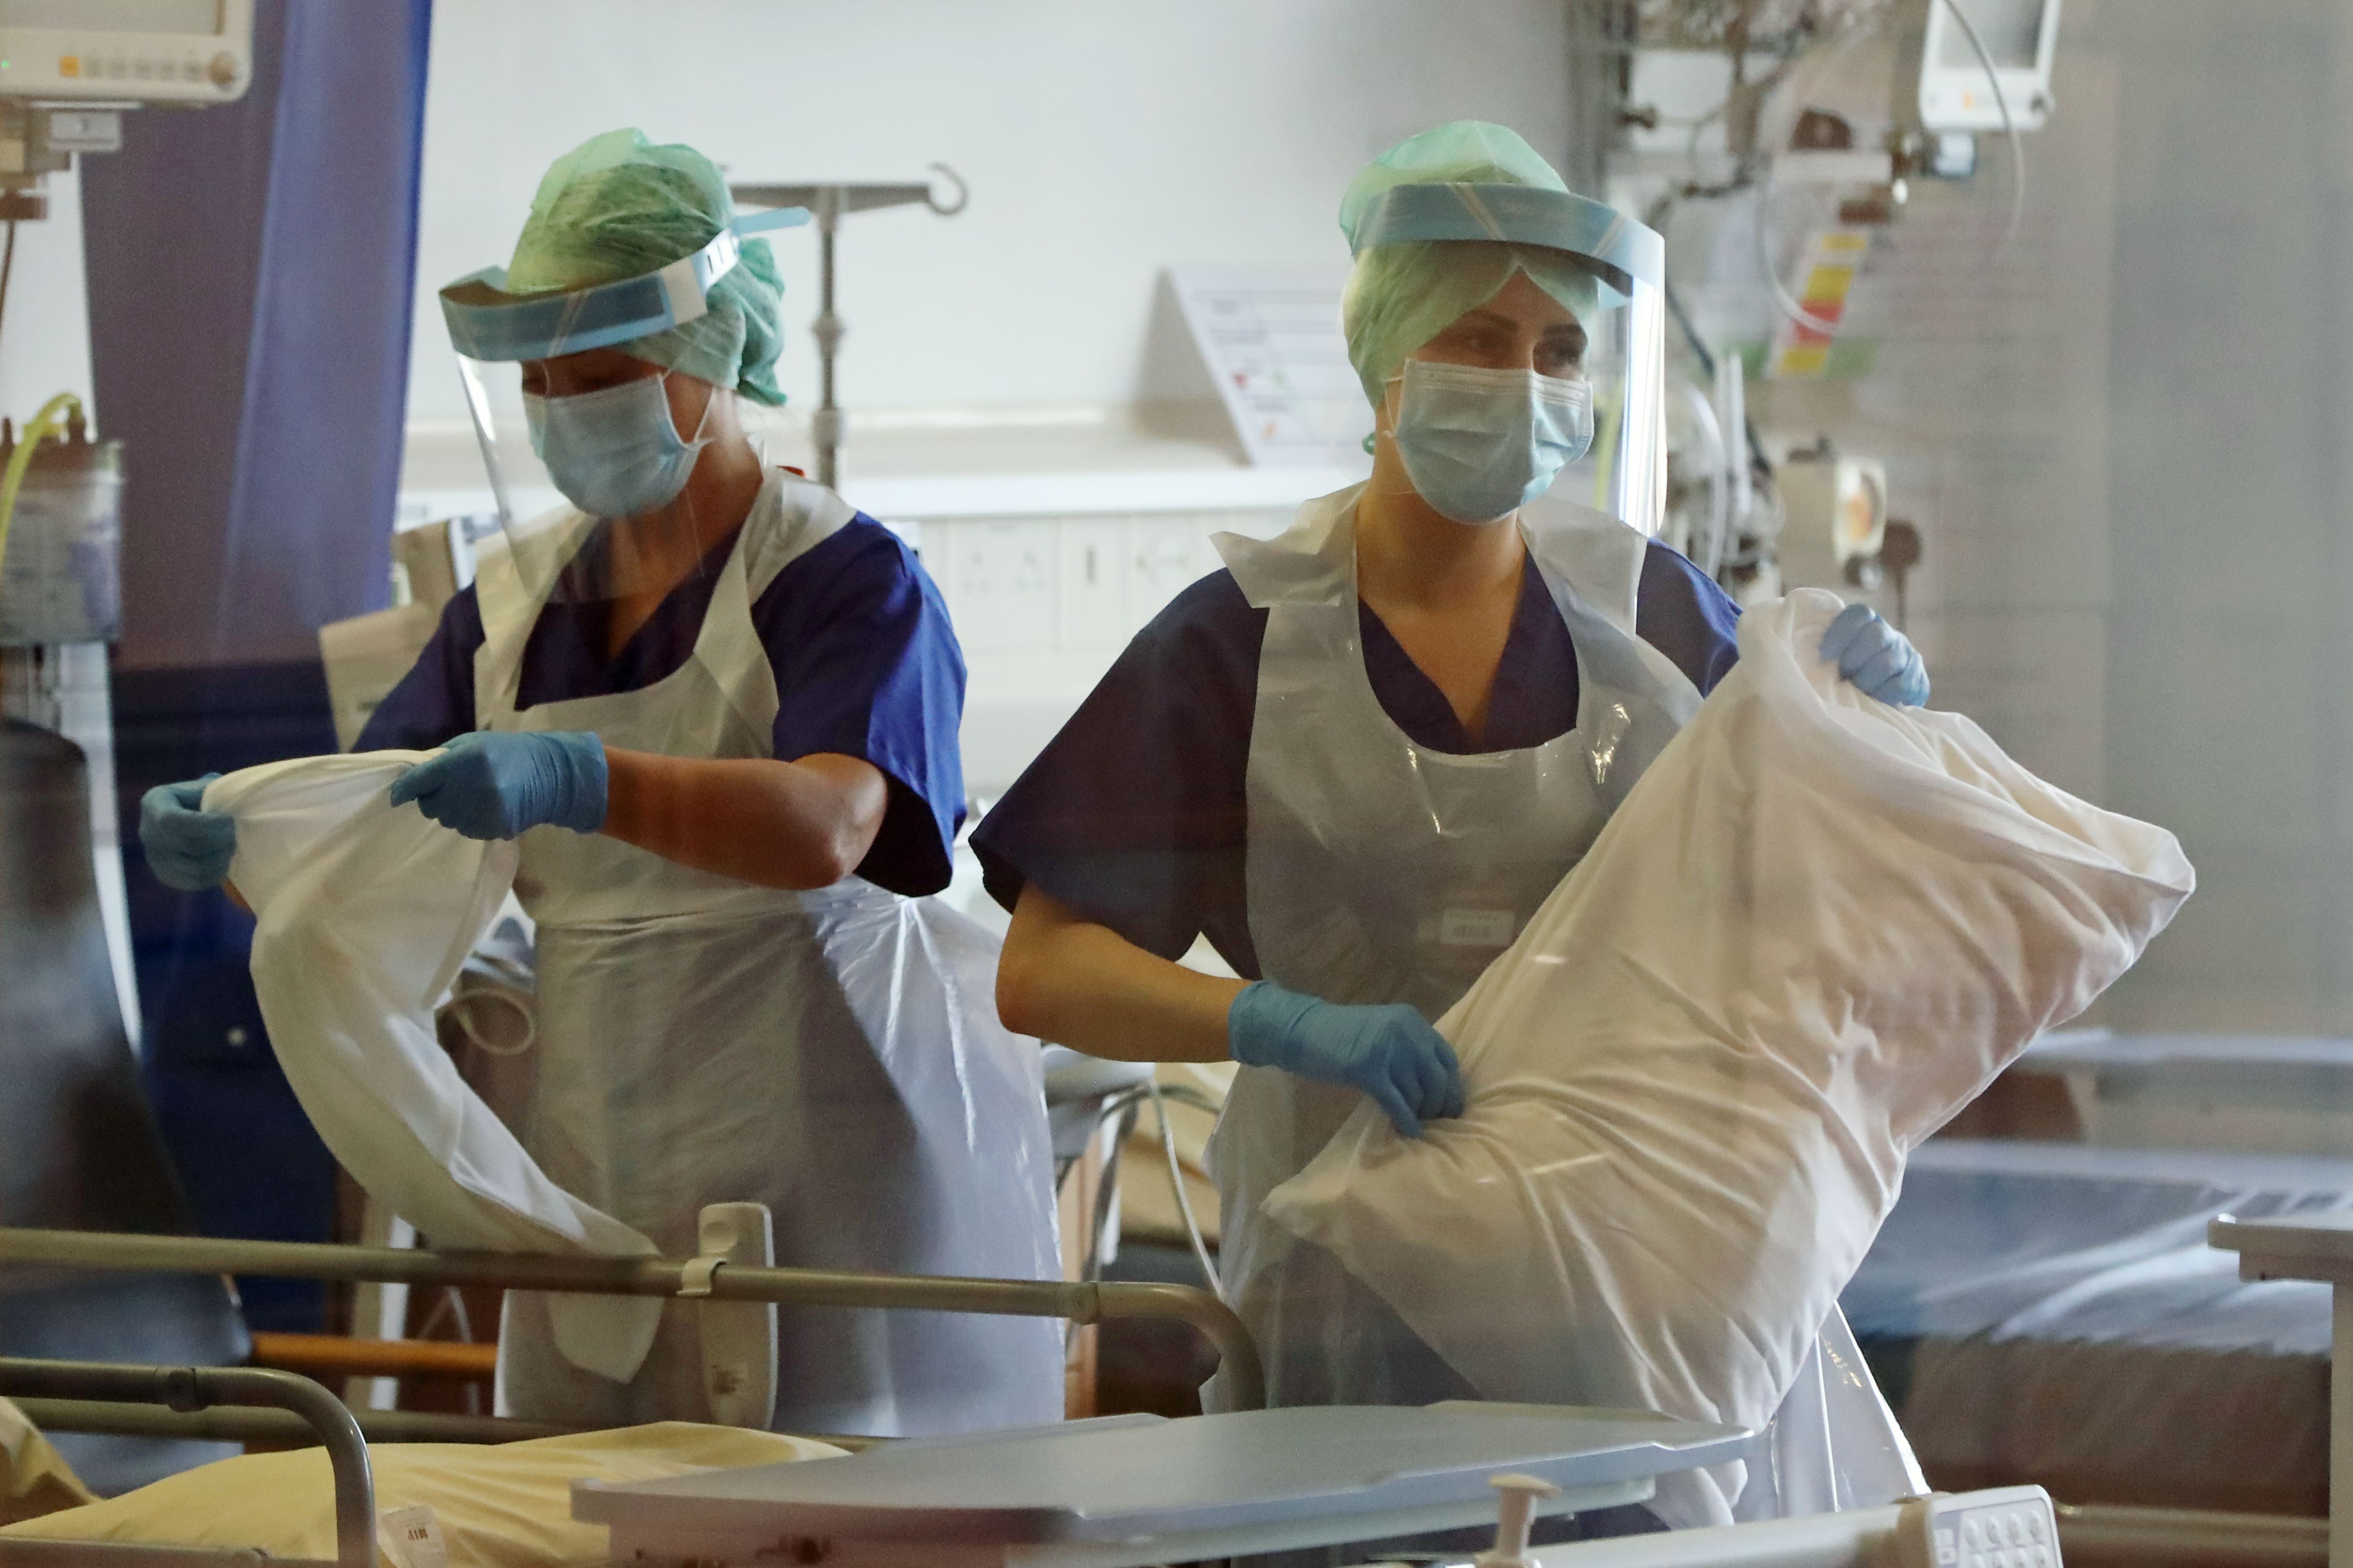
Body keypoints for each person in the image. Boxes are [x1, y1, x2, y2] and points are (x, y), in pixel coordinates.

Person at [974, 121, 1926, 1530]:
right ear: (1388, 358)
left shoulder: (1656, 616)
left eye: (1558, 352)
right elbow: (1042, 970)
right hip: (1344, 1262)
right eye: (1482, 340)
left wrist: (1869, 728)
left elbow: (1808, 893)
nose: (1525, 383)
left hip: (1628, 1253)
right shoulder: (1237, 643)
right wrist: (1277, 1023)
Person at [137, 129, 1063, 1438]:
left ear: (710, 358)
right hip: (604, 1159)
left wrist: (581, 778)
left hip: (848, 1148)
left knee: (852, 1488)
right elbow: (366, 844)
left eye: (605, 373)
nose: (568, 406)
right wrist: (241, 831)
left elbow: (832, 826)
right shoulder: (511, 606)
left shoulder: (844, 578)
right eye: (546, 381)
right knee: (592, 1488)